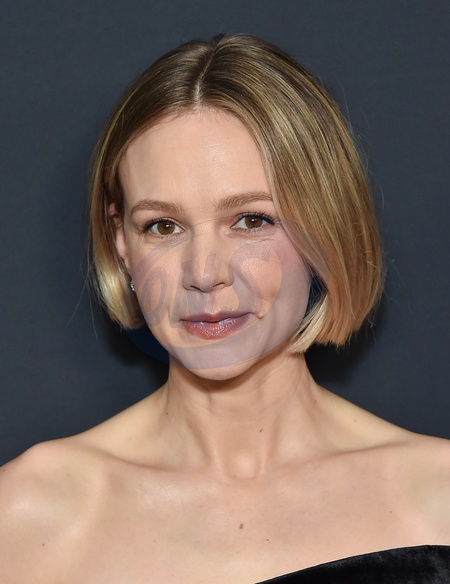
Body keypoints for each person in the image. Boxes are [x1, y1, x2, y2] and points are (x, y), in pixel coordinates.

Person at [0, 34, 449, 583]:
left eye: (251, 220)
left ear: (324, 227)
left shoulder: (436, 499)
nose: (205, 272)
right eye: (163, 226)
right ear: (122, 243)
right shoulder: (25, 517)